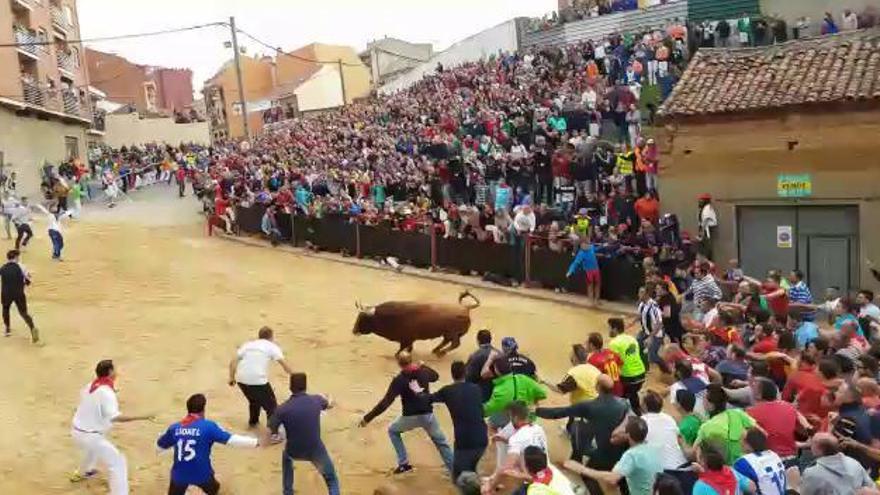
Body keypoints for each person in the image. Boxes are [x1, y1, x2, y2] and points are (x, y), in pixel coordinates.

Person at [359, 351, 453, 474]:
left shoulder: (399, 379)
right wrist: (424, 366)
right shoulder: (422, 371)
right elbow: (436, 377)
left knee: (393, 431)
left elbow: (386, 402)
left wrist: (368, 418)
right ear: (411, 360)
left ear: (399, 364)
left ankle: (403, 464)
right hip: (428, 415)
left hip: (410, 417)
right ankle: (453, 469)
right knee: (441, 442)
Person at [70, 360, 154, 494]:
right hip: (90, 435)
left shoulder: (90, 385)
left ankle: (83, 472)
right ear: (109, 372)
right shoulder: (106, 393)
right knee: (118, 462)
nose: (117, 371)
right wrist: (142, 417)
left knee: (92, 450)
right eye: (115, 369)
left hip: (77, 429)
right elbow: (115, 417)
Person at [537, 375, 630, 495]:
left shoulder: (588, 406)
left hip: (602, 452)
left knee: (587, 475)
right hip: (622, 451)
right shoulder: (623, 403)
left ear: (598, 387)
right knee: (622, 479)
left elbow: (559, 412)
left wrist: (537, 411)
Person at [157, 393, 258, 495]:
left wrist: (158, 450)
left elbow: (160, 446)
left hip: (179, 475)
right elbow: (231, 440)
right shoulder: (208, 427)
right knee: (214, 489)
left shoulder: (175, 428)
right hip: (202, 474)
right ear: (203, 409)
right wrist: (256, 442)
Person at [269, 373, 340, 495]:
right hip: (315, 450)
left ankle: (288, 491)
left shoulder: (282, 409)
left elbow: (272, 431)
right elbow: (329, 404)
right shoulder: (316, 400)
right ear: (305, 386)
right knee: (331, 480)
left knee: (286, 457)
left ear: (290, 388)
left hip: (294, 450)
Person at [563, 416, 663, 495]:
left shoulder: (632, 454)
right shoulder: (653, 448)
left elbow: (612, 479)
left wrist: (581, 469)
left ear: (627, 434)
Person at [425, 360, 488, 482]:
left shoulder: (447, 391)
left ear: (452, 374)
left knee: (459, 478)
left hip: (464, 442)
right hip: (482, 438)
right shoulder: (476, 389)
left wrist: (418, 391)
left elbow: (428, 399)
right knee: (471, 471)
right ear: (465, 373)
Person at [228, 326, 293, 428]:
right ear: (271, 337)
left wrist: (231, 378)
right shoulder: (271, 346)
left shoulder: (248, 345)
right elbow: (284, 364)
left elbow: (233, 362)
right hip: (258, 380)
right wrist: (294, 376)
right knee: (271, 407)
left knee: (254, 400)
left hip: (241, 379)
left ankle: (253, 423)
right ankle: (273, 432)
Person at [746, 378, 811, 464]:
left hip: (767, 461)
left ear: (759, 395)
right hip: (792, 459)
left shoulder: (750, 413)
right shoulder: (790, 407)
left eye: (752, 388)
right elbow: (808, 429)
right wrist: (803, 444)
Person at [694, 384, 758, 464]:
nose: (702, 400)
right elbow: (760, 433)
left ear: (711, 405)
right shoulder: (738, 413)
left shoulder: (706, 427)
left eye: (704, 398)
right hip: (750, 462)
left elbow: (694, 452)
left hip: (729, 468)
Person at [800, 433, 874, 495]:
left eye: (812, 444)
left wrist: (793, 485)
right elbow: (871, 488)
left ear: (818, 450)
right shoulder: (854, 463)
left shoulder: (812, 473)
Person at [640, 390, 688, 472]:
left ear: (645, 406)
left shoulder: (641, 421)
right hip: (680, 465)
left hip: (662, 470)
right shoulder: (669, 418)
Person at [607, 317, 646, 413]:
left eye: (609, 328)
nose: (608, 331)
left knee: (618, 399)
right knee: (632, 394)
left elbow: (613, 366)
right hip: (641, 375)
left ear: (615, 329)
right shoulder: (632, 338)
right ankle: (638, 412)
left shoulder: (613, 343)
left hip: (628, 378)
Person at [732, 429, 786, 495]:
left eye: (742, 440)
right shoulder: (774, 455)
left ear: (749, 444)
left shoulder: (743, 462)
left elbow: (737, 488)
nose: (740, 442)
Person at [0, 249, 38, 342]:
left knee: (5, 309)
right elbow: (28, 281)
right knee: (23, 312)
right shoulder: (21, 266)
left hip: (6, 293)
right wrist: (22, 284)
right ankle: (32, 328)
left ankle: (7, 329)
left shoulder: (3, 267)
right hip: (19, 293)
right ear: (16, 257)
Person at [586, 332, 624, 397]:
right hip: (619, 389)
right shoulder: (611, 352)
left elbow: (591, 380)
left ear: (591, 345)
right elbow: (621, 365)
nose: (585, 345)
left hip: (608, 394)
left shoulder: (592, 360)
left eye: (586, 343)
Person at [566, 240, 602, 306]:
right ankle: (591, 301)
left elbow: (598, 248)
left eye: (585, 244)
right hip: (588, 271)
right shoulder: (581, 253)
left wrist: (603, 246)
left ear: (587, 244)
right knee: (590, 285)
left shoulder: (592, 247)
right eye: (582, 245)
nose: (583, 246)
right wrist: (570, 271)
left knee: (598, 284)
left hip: (596, 270)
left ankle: (597, 300)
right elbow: (575, 263)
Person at [465, 329, 497, 400]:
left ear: (478, 341)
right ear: (490, 340)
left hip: (481, 392)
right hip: (498, 391)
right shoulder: (500, 353)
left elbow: (468, 377)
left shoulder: (474, 356)